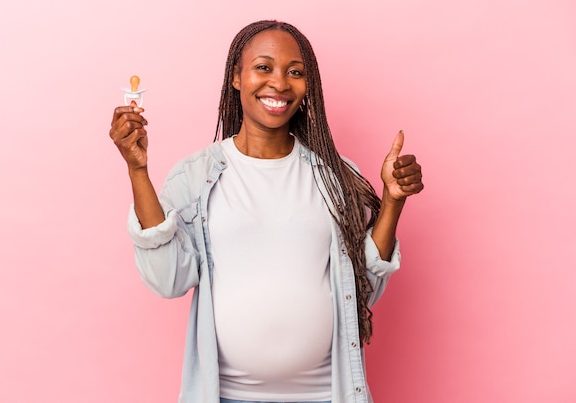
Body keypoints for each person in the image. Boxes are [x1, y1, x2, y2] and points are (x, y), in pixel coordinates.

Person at [109, 20, 423, 403]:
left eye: (295, 72)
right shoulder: (195, 176)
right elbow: (167, 280)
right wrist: (138, 170)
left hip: (328, 395)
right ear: (237, 78)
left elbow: (362, 293)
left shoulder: (336, 177)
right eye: (263, 67)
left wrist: (393, 201)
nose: (279, 83)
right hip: (227, 396)